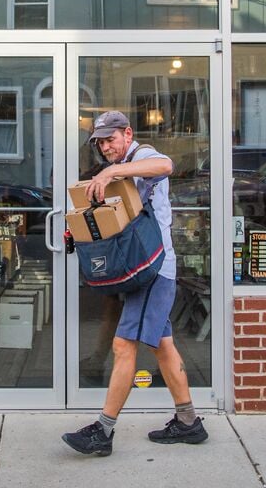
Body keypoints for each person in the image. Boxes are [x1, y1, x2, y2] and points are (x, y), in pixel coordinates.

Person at [62, 110, 208, 457]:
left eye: (110, 140)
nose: (106, 149)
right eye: (100, 144)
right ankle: (188, 422)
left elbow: (166, 165)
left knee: (123, 347)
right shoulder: (121, 165)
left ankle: (103, 430)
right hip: (144, 271)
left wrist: (112, 169)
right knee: (163, 347)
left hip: (154, 271)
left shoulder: (140, 156)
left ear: (127, 134)